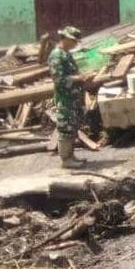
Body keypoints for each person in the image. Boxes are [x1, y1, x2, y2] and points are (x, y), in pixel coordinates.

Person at [48, 26, 94, 169]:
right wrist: (78, 78)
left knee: (72, 128)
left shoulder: (66, 54)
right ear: (65, 39)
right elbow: (59, 80)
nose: (75, 44)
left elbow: (71, 74)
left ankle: (70, 156)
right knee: (66, 129)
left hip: (73, 98)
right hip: (65, 99)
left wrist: (82, 77)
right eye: (73, 41)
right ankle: (66, 160)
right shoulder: (56, 55)